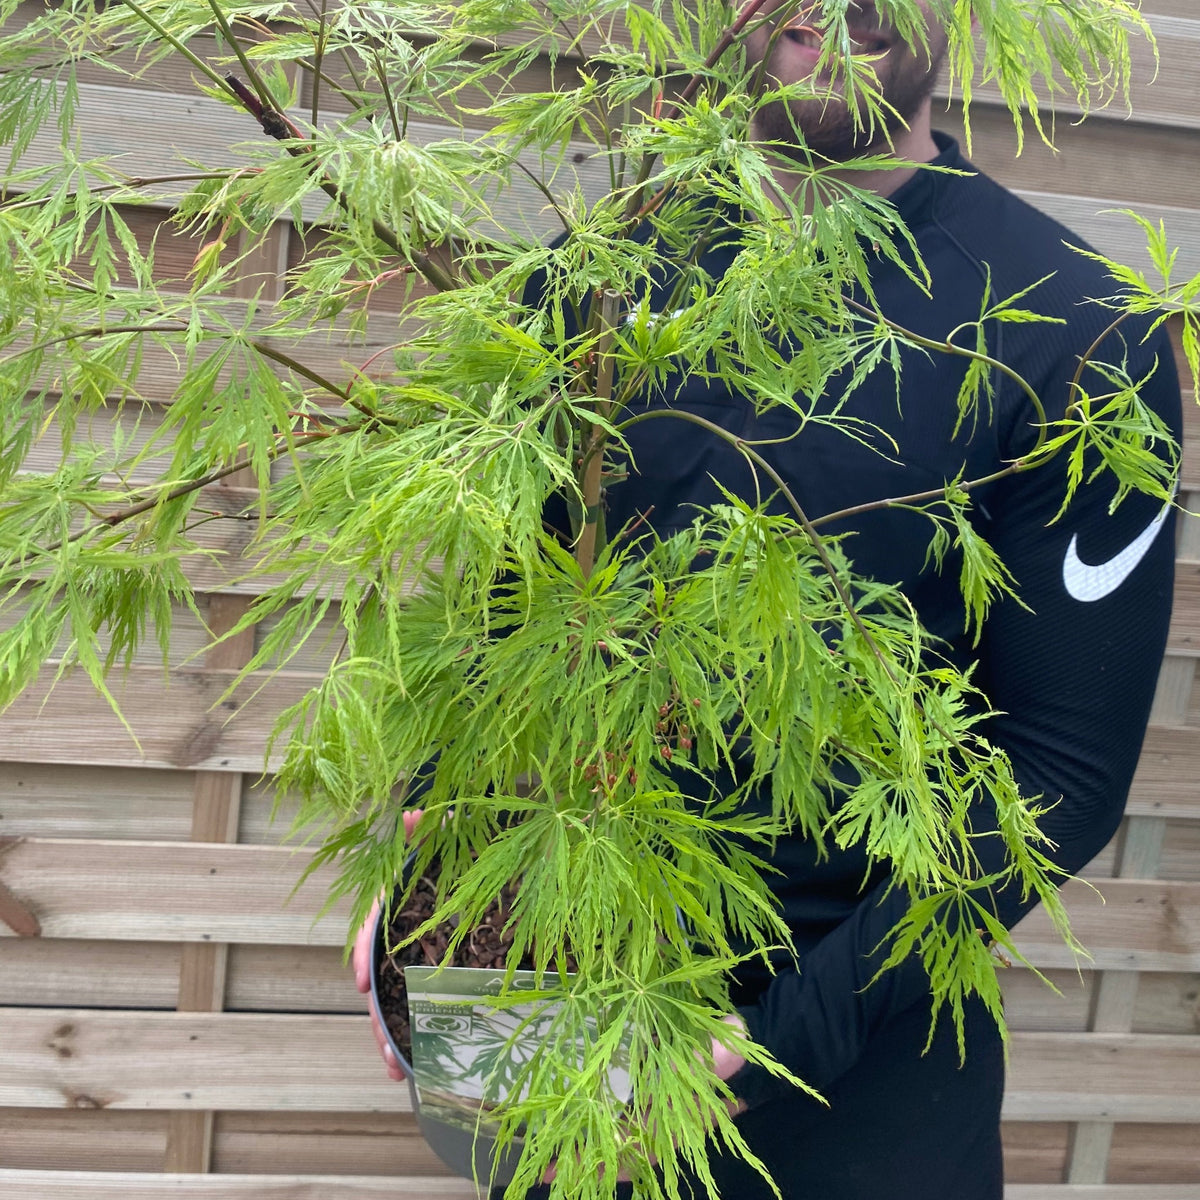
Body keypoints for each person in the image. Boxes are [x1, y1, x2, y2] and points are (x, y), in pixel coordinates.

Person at [355, 2, 1182, 1196]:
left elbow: (1061, 777)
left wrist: (767, 1046)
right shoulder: (598, 275)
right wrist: (431, 865)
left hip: (859, 1090)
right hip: (556, 1012)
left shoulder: (1081, 334)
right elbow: (511, 620)